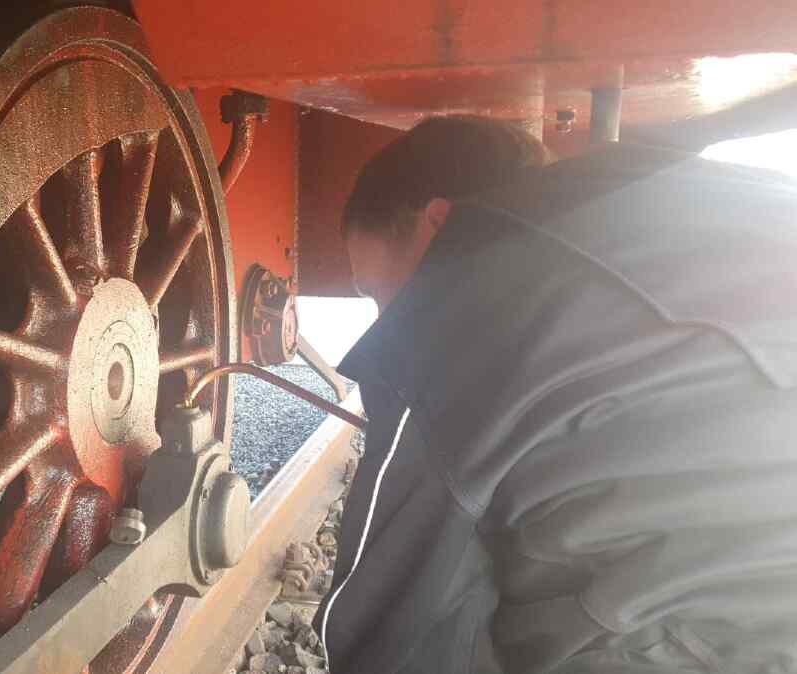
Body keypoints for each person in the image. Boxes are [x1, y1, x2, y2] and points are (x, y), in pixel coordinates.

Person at [314, 115, 797, 673]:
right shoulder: (710, 196)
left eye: (379, 293)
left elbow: (394, 627)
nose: (387, 320)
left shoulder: (457, 305)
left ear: (440, 223)